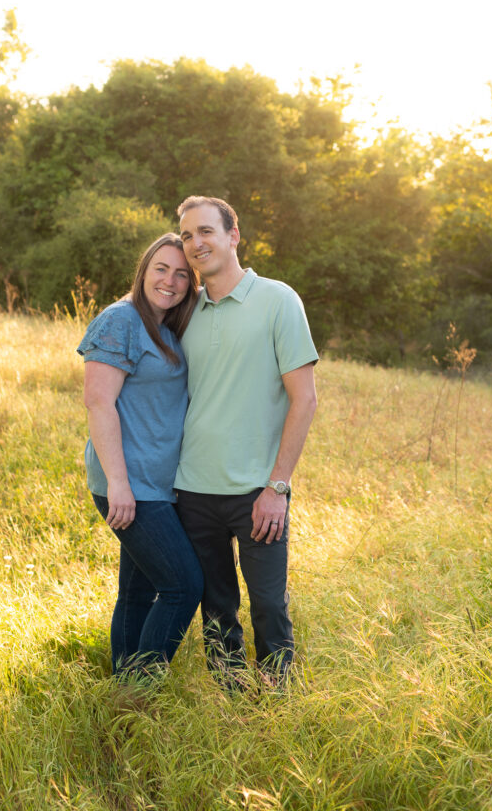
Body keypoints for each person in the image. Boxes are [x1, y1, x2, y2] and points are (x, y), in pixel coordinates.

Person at [174, 196, 318, 687]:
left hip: (258, 491)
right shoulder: (185, 310)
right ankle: (230, 701)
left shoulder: (278, 300)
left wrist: (277, 487)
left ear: (234, 236)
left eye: (206, 232)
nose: (197, 244)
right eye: (188, 236)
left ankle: (276, 702)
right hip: (192, 490)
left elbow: (305, 399)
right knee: (215, 605)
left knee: (269, 605)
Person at [77, 233, 203, 679]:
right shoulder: (120, 321)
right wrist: (119, 485)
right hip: (130, 484)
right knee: (183, 586)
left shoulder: (168, 324)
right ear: (144, 271)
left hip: (158, 484)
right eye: (161, 269)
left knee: (137, 593)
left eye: (182, 274)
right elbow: (99, 402)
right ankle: (140, 693)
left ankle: (122, 692)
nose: (170, 280)